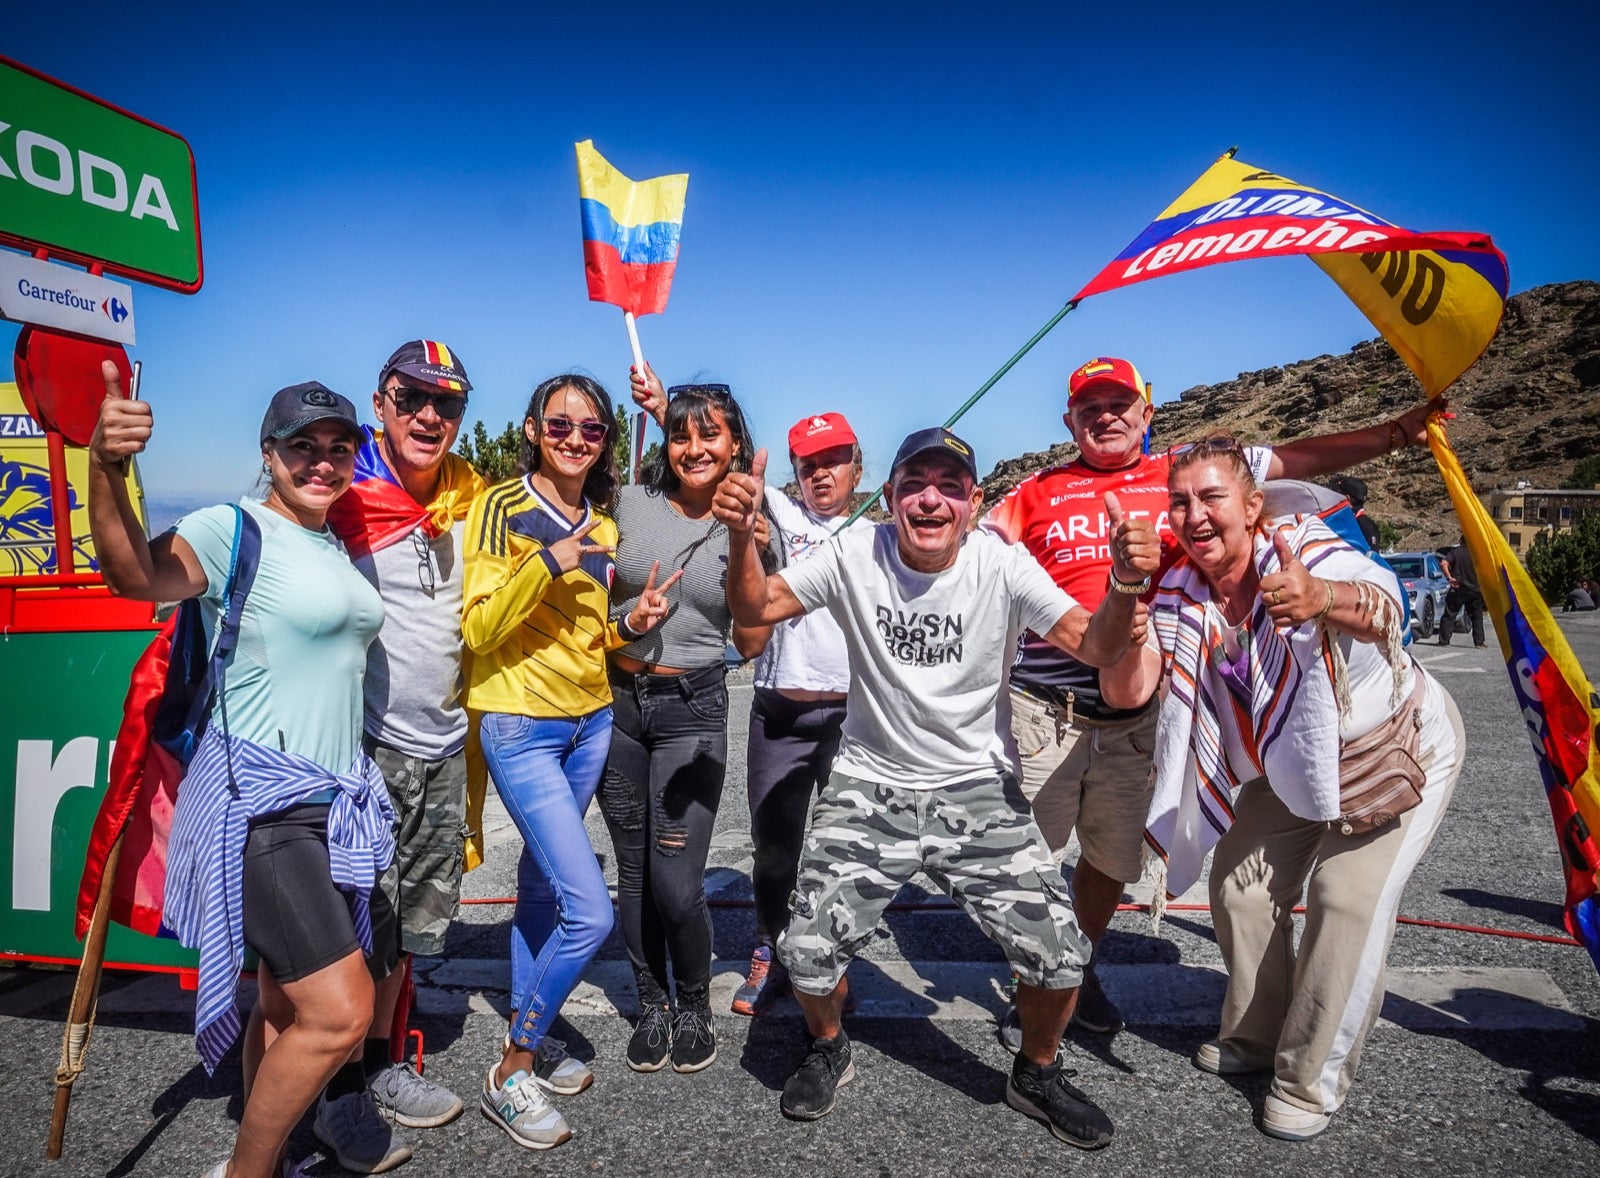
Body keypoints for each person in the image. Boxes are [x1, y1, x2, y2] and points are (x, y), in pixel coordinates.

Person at [713, 426, 1161, 1149]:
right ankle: (828, 1045)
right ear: (888, 498)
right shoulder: (857, 552)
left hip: (975, 786)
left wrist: (1127, 584)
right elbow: (756, 610)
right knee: (804, 951)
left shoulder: (1002, 566)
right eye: (914, 483)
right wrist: (740, 540)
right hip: (870, 782)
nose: (931, 498)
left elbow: (1100, 645)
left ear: (974, 503)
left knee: (1062, 952)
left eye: (950, 485)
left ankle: (1036, 1072)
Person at [982, 355, 1444, 1041]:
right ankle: (1041, 976)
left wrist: (1397, 435)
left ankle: (1074, 969)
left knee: (1111, 862)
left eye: (1118, 405)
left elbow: (1301, 456)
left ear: (1146, 411)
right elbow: (972, 550)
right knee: (1023, 859)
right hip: (1050, 704)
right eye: (1089, 408)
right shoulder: (1035, 489)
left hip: (1143, 705)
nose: (1105, 417)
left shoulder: (1188, 474)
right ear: (1069, 420)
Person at [87, 369, 400, 1178]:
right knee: (340, 1013)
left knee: (281, 1000)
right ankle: (244, 1175)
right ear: (270, 454)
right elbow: (134, 578)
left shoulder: (328, 543)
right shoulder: (231, 527)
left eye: (339, 449)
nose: (323, 463)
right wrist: (102, 465)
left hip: (328, 804)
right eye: (303, 447)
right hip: (261, 802)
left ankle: (273, 1157)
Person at [1146, 438, 1464, 1141]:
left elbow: (1386, 604)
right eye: (1181, 500)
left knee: (1343, 899)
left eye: (1212, 497)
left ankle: (1309, 1076)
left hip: (1391, 748)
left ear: (1253, 506)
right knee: (1238, 887)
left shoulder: (1301, 544)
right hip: (1291, 759)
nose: (1194, 515)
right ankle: (1257, 1036)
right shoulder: (1179, 588)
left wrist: (1323, 597)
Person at [462, 374, 680, 1149]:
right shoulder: (500, 506)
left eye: (591, 430)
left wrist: (633, 626)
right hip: (520, 725)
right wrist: (548, 561)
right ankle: (510, 1067)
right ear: (531, 429)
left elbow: (595, 642)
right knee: (588, 908)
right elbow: (481, 628)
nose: (576, 438)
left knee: (541, 890)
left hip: (590, 721)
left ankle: (538, 1026)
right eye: (560, 425)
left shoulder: (603, 521)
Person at [628, 368, 869, 1017]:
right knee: (774, 846)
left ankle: (827, 960)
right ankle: (770, 950)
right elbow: (708, 472)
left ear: (857, 464)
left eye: (835, 460)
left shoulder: (882, 526)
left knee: (849, 847)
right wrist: (658, 411)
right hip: (780, 709)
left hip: (858, 713)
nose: (822, 473)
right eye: (809, 462)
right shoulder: (773, 506)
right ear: (791, 466)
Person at [315, 340, 487, 1171]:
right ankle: (334, 1092)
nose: (429, 416)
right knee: (354, 930)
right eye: (411, 398)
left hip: (445, 750)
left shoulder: (471, 500)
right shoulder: (341, 497)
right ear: (379, 402)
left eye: (447, 405)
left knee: (412, 929)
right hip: (366, 751)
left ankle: (379, 1069)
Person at [599, 380, 774, 1075]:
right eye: (681, 435)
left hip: (694, 709)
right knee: (634, 872)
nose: (694, 448)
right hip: (614, 703)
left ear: (736, 444)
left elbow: (754, 643)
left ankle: (695, 1001)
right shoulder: (629, 503)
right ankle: (652, 1002)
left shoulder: (756, 521)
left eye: (711, 435)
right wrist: (625, 622)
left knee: (676, 880)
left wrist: (744, 540)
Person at [1440, 536, 1487, 646]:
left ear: (1461, 541)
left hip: (1458, 587)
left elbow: (1443, 563)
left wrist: (1449, 578)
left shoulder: (1456, 552)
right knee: (1477, 617)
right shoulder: (1477, 554)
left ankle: (1444, 640)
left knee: (1449, 614)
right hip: (1475, 589)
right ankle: (1479, 642)